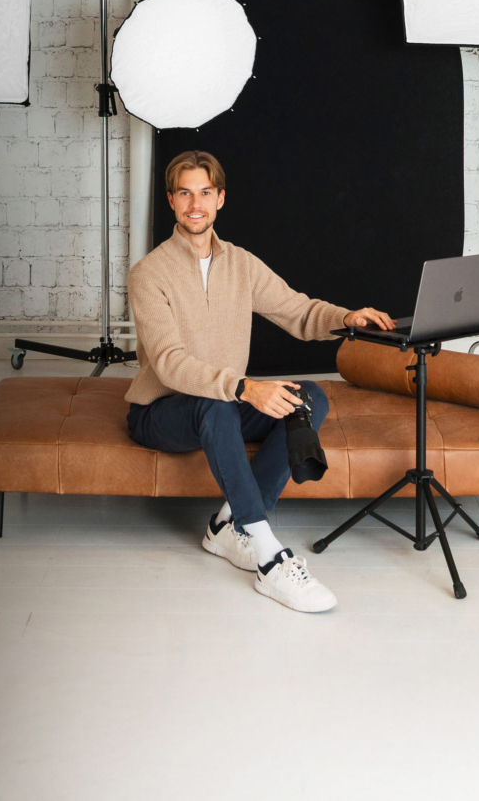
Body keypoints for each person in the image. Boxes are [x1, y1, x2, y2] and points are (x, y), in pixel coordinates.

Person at [124, 149, 395, 613]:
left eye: (205, 193)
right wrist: (246, 387)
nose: (196, 204)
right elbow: (169, 363)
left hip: (224, 405)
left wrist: (346, 316)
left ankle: (228, 525)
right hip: (162, 411)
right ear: (171, 201)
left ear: (221, 199)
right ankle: (268, 556)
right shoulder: (149, 274)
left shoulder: (241, 264)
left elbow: (298, 310)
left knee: (309, 396)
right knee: (218, 404)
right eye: (185, 193)